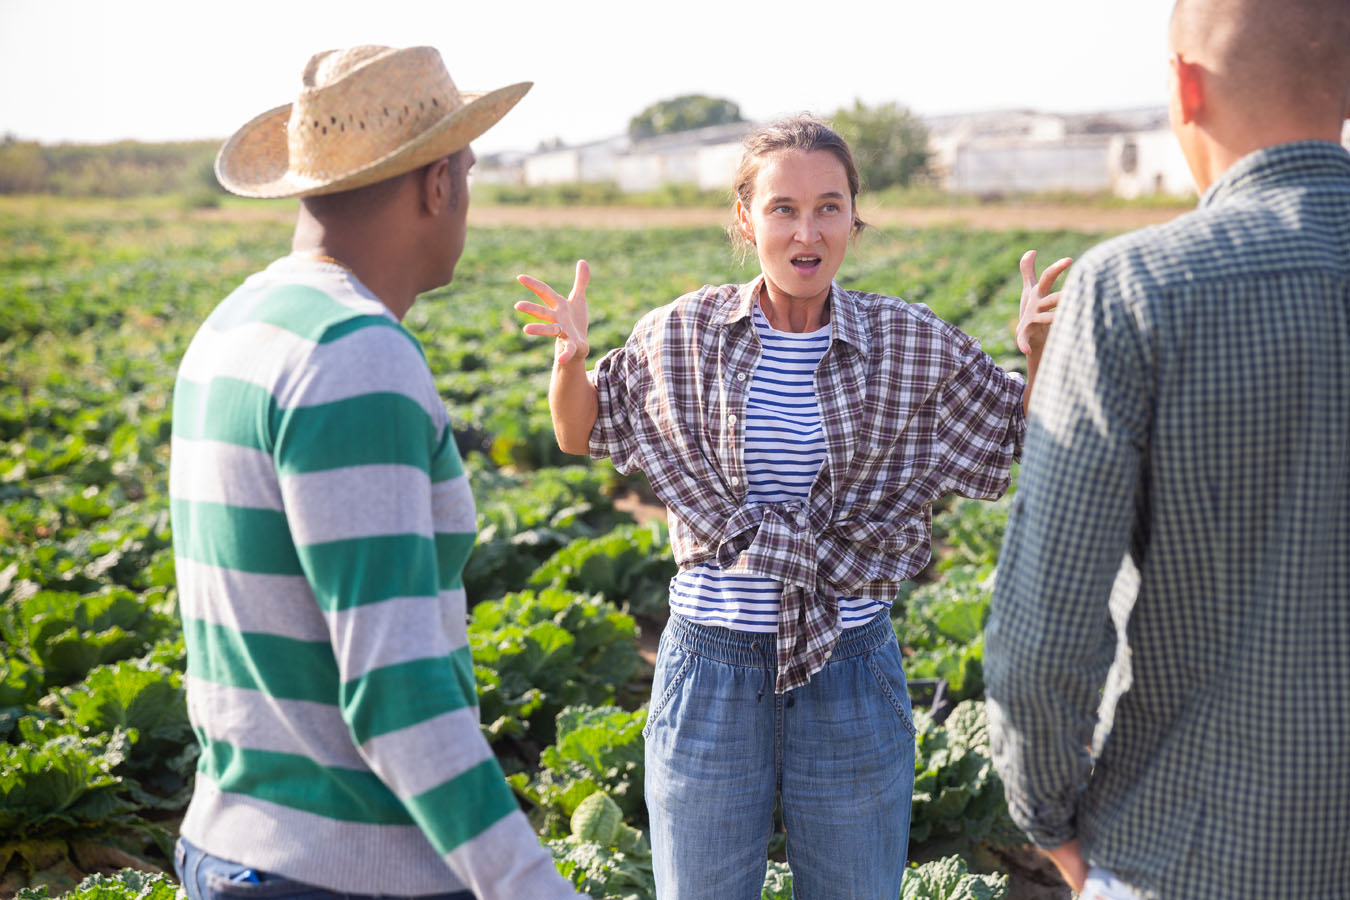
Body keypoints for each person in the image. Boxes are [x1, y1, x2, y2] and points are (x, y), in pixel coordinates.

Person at [514, 115, 1068, 899]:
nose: (807, 231)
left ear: (853, 218)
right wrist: (570, 359)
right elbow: (580, 429)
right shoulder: (682, 333)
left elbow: (1023, 439)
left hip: (850, 664)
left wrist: (1039, 353)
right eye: (783, 208)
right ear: (746, 218)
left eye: (829, 206)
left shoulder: (908, 341)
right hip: (711, 665)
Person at [169, 45, 586, 900]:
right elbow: (396, 690)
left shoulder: (236, 323)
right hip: (337, 873)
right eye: (465, 170)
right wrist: (531, 887)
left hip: (230, 843)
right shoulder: (355, 355)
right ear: (437, 185)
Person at [983, 0, 1350, 897]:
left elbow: (1045, 631)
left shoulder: (1137, 288)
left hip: (1198, 848)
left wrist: (1048, 817)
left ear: (1186, 87)